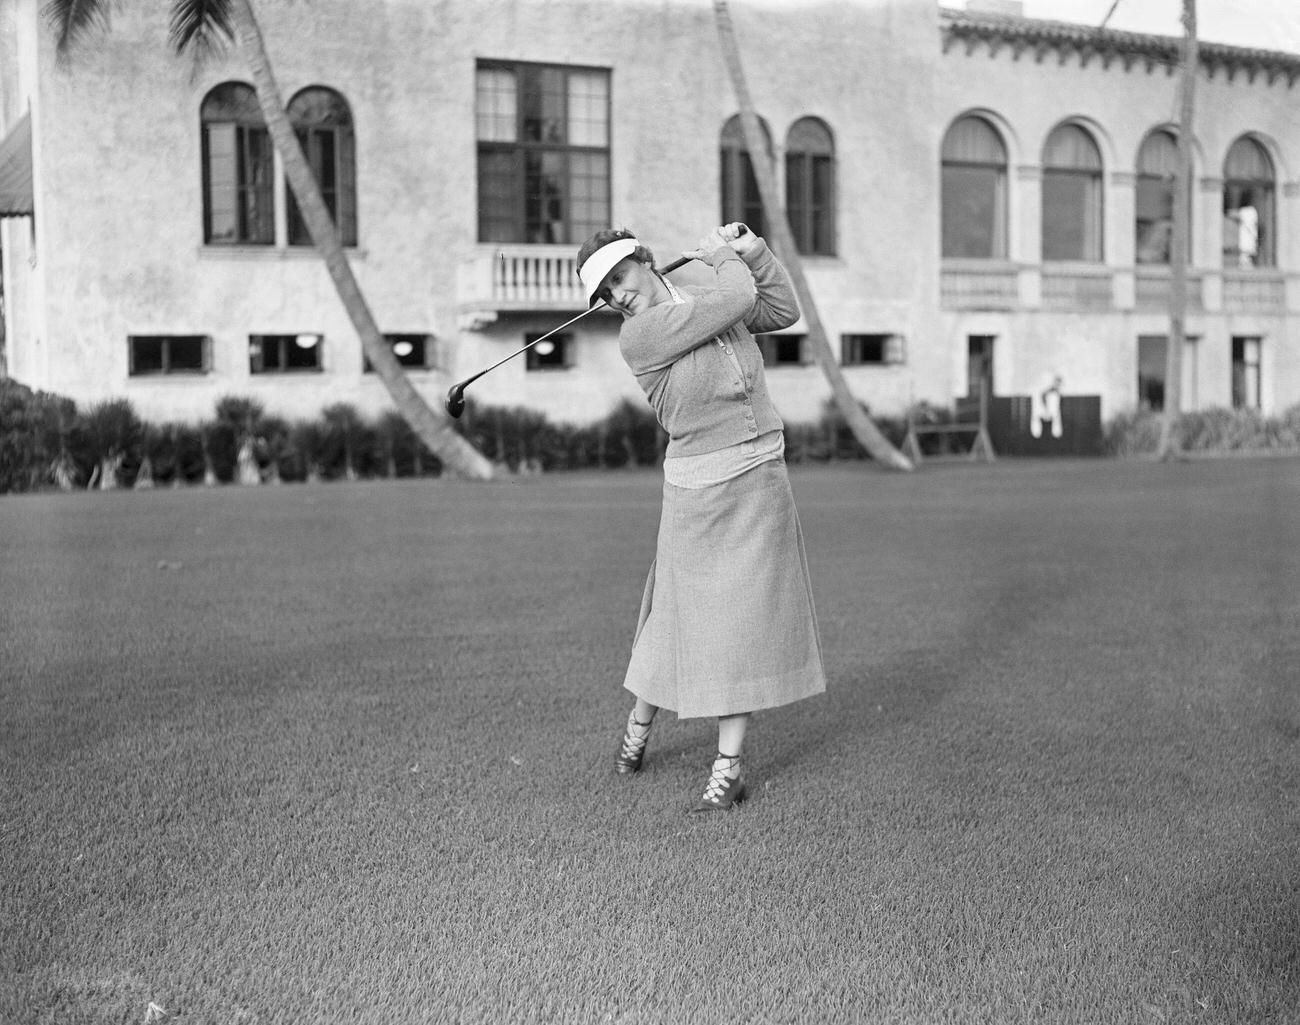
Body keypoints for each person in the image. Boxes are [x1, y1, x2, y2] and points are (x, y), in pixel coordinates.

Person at [575, 222, 827, 812]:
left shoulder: (702, 282)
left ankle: (728, 767)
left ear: (642, 259)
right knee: (673, 617)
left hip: (760, 471)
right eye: (604, 294)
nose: (617, 296)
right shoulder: (640, 335)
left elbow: (779, 309)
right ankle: (640, 725)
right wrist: (722, 259)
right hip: (699, 490)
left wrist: (751, 252)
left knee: (736, 622)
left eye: (618, 277)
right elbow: (738, 299)